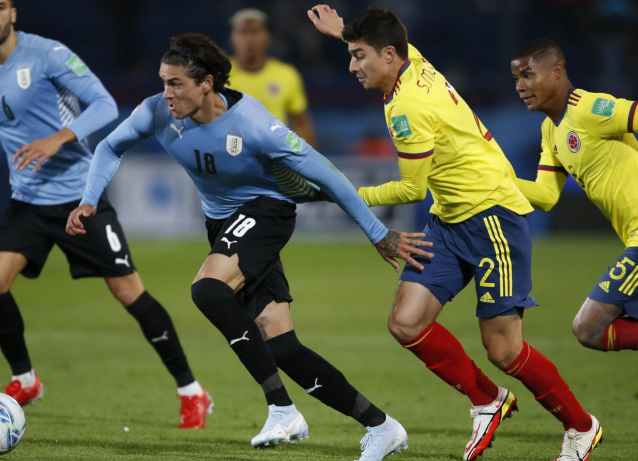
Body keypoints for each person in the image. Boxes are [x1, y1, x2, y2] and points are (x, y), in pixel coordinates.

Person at [66, 32, 432, 460]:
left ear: (206, 83)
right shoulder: (156, 112)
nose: (166, 93)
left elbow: (328, 175)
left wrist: (377, 232)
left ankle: (280, 407)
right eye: (163, 82)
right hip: (223, 223)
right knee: (283, 346)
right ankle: (382, 426)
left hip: (267, 210)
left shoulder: (255, 125)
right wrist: (89, 200)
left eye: (176, 83)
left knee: (208, 289)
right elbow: (109, 146)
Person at [308, 6, 602, 461]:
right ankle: (487, 400)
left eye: (359, 56)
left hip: (493, 219)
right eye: (351, 55)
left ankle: (581, 427)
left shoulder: (408, 108)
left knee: (504, 350)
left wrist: (344, 193)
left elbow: (411, 189)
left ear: (389, 56)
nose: (352, 67)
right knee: (406, 322)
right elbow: (390, 39)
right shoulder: (413, 62)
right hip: (449, 220)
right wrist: (343, 32)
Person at [0, 0, 211, 428]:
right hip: (27, 199)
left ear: (13, 13)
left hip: (79, 197)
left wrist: (57, 139)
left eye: (0, 6)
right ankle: (26, 380)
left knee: (129, 293)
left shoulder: (48, 55)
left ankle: (192, 391)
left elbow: (104, 105)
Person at [511, 39, 638, 360]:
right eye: (516, 79)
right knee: (590, 330)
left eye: (528, 75)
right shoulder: (550, 130)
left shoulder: (589, 108)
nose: (520, 86)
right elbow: (545, 195)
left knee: (589, 327)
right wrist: (490, 180)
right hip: (632, 238)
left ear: (556, 72)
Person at [228, 8, 316, 146]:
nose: (249, 39)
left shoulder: (286, 75)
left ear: (267, 36)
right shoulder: (218, 74)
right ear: (232, 37)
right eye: (243, 32)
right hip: (231, 153)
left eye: (255, 32)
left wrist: (305, 155)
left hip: (275, 154)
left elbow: (302, 125)